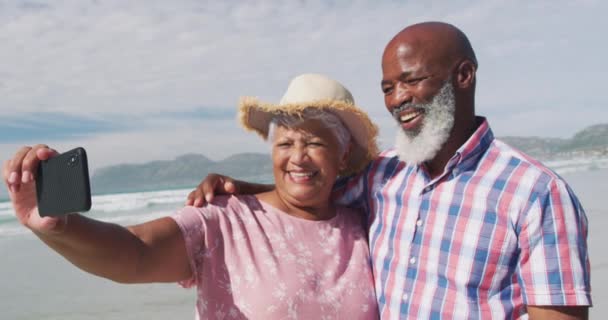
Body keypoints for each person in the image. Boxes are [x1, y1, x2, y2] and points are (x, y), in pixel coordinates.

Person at [186, 22, 592, 319]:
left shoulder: (535, 192)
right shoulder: (384, 175)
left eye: (412, 81)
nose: (399, 99)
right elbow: (312, 192)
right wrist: (239, 190)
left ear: (463, 75)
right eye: (387, 88)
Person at [3, 73, 381, 319]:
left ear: (343, 153)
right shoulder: (225, 218)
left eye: (314, 142)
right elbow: (135, 253)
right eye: (285, 143)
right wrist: (59, 228)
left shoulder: (363, 225)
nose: (297, 157)